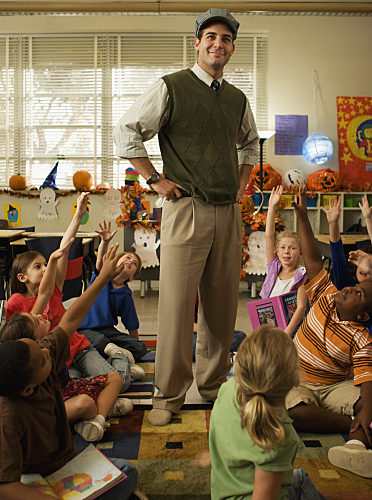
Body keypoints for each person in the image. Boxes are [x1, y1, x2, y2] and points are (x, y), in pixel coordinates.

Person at [113, 8, 259, 426]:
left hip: (228, 212)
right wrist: (155, 180)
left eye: (226, 39)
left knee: (220, 307)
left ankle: (212, 388)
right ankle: (168, 396)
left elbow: (249, 144)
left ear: (232, 47)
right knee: (177, 306)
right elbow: (127, 130)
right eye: (210, 36)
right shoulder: (171, 87)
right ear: (196, 43)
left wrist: (243, 182)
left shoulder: (236, 98)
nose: (219, 44)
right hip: (185, 209)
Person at [0, 245, 141, 500]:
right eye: (44, 360)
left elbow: (71, 320)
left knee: (126, 471)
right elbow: (5, 485)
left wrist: (103, 278)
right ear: (28, 388)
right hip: (30, 478)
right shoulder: (8, 415)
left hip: (61, 464)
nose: (48, 354)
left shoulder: (40, 354)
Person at [6, 195, 135, 394]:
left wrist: (78, 215)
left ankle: (119, 358)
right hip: (56, 360)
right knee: (65, 390)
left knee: (121, 382)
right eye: (38, 266)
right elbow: (15, 340)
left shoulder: (53, 289)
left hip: (78, 348)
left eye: (46, 265)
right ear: (22, 277)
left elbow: (63, 250)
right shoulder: (16, 303)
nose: (45, 269)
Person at [287, 186, 372, 478]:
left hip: (334, 386)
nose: (349, 287)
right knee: (293, 411)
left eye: (357, 293)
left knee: (368, 400)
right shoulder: (326, 295)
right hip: (296, 378)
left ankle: (359, 442)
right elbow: (312, 259)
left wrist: (366, 406)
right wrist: (302, 216)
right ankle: (354, 427)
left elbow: (366, 381)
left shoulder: (361, 337)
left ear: (362, 315)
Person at [193, 326, 327, 500]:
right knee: (300, 478)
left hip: (223, 493)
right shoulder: (280, 434)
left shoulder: (226, 390)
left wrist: (216, 458)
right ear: (296, 379)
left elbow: (229, 437)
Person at [78, 220, 147, 368]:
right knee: (101, 342)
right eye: (128, 257)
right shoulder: (102, 277)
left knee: (140, 348)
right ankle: (114, 357)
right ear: (116, 261)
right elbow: (101, 258)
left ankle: (112, 356)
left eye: (134, 263)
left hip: (107, 331)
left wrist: (136, 346)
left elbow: (132, 326)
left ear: (132, 277)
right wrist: (104, 241)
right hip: (83, 329)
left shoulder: (126, 294)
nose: (130, 261)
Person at [260, 185, 308, 337]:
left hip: (292, 327)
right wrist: (272, 207)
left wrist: (287, 333)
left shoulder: (301, 275)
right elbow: (269, 236)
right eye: (283, 247)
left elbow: (300, 308)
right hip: (270, 323)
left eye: (292, 248)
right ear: (277, 251)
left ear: (300, 253)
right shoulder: (274, 266)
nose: (286, 251)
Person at [321, 194, 372, 291]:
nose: (363, 266)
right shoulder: (347, 285)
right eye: (361, 261)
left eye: (368, 262)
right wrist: (333, 223)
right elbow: (337, 253)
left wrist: (368, 220)